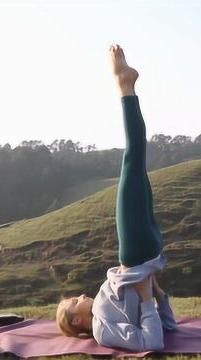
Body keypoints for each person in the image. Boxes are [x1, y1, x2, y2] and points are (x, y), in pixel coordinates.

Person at [55, 44, 177, 351]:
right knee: (133, 157)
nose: (82, 296)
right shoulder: (100, 326)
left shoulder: (103, 310)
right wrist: (150, 298)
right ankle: (125, 84)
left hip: (143, 258)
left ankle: (126, 85)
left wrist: (156, 291)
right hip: (135, 257)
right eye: (75, 301)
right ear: (77, 321)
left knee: (138, 162)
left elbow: (170, 328)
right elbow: (155, 341)